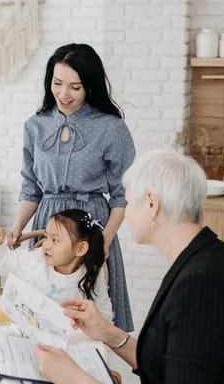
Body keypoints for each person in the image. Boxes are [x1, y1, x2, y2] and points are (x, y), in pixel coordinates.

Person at [33, 150, 224, 384]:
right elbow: (171, 362)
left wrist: (76, 380)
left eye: (128, 203)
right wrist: (108, 333)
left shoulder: (201, 282)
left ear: (151, 203)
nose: (126, 214)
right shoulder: (201, 258)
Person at [8, 43, 136, 331]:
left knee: (90, 311)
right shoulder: (35, 125)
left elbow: (122, 195)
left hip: (92, 230)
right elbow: (31, 188)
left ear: (89, 87)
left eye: (75, 87)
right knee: (38, 315)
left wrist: (105, 239)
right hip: (47, 226)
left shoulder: (110, 128)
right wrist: (17, 225)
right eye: (57, 83)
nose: (64, 94)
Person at [0, 209, 113, 320]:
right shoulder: (35, 260)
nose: (46, 245)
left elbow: (104, 314)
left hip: (70, 343)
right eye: (46, 236)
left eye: (55, 240)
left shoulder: (92, 273)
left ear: (80, 248)